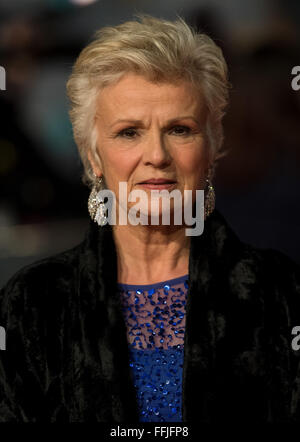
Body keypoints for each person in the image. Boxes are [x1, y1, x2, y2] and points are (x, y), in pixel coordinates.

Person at [0, 13, 300, 423]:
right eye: (129, 132)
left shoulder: (281, 296)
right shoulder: (32, 305)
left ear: (212, 149)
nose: (157, 155)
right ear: (93, 156)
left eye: (180, 129)